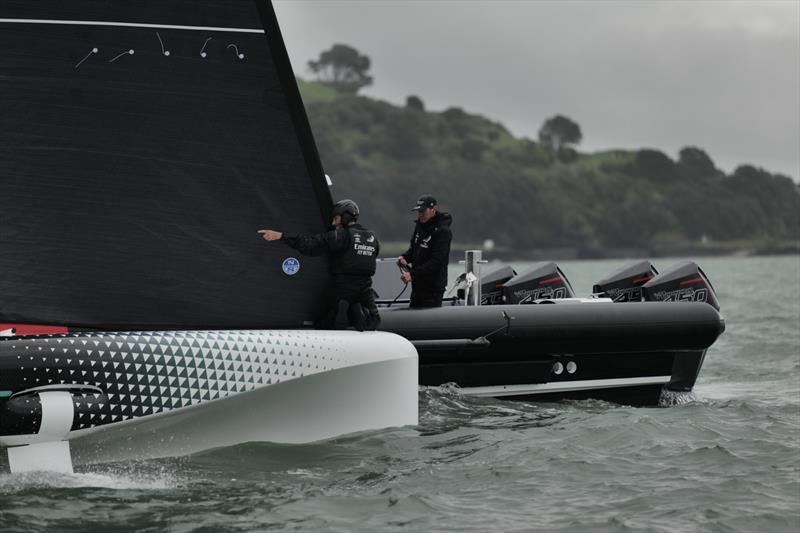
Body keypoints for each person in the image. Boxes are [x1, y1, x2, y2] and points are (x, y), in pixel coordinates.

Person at [258, 199, 380, 330]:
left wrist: (282, 236)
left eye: (336, 218)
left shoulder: (340, 236)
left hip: (342, 286)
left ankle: (345, 316)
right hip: (365, 288)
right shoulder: (373, 238)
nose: (333, 222)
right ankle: (357, 313)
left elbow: (310, 244)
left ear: (344, 217)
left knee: (321, 320)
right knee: (374, 320)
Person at [396, 195, 453, 308]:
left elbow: (436, 262)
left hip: (433, 289)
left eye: (423, 211)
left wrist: (412, 274)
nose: (420, 215)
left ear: (434, 209)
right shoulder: (419, 226)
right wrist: (404, 258)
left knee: (429, 322)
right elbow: (414, 250)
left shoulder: (443, 231)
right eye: (418, 211)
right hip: (417, 286)